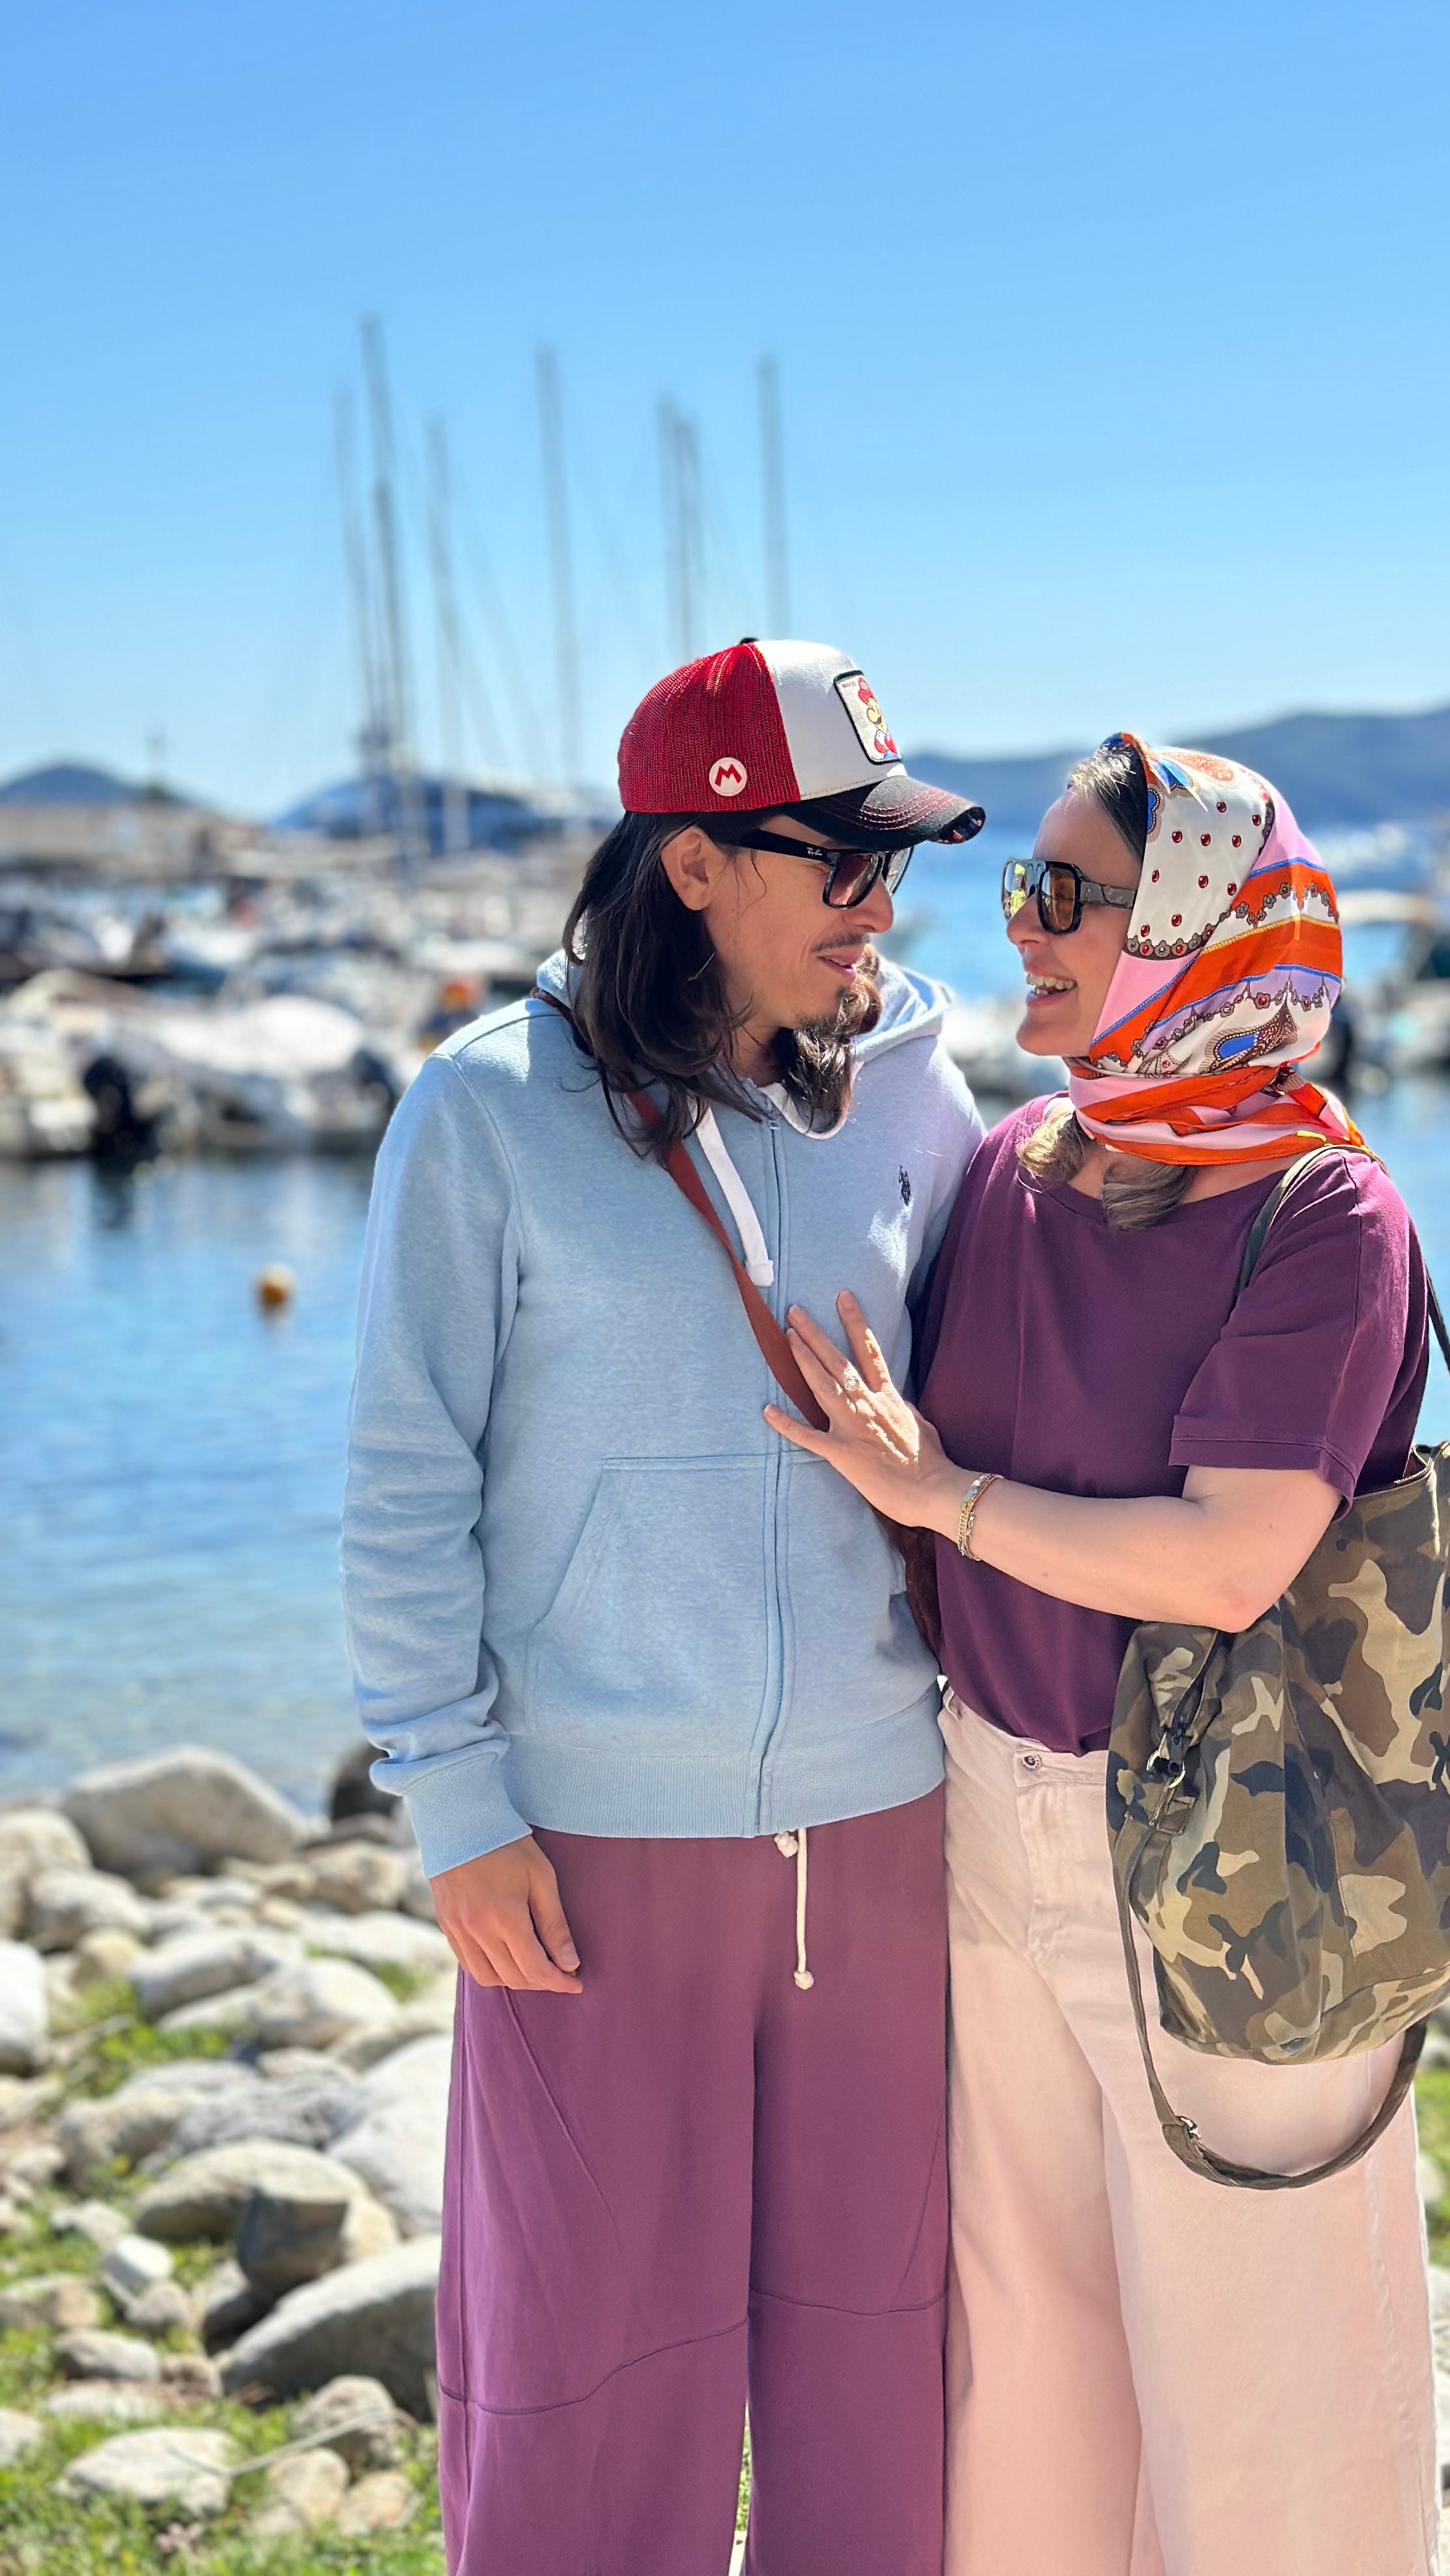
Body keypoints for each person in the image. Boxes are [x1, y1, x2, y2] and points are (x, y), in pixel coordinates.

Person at [341, 640, 985, 2576]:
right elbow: (405, 1481)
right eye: (839, 864)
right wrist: (454, 1802)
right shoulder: (484, 1110)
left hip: (882, 1828)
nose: (879, 912)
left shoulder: (918, 1099)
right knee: (590, 2384)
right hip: (590, 1854)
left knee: (881, 2362)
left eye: (894, 867)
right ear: (693, 863)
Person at [766, 733, 1440, 2576]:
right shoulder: (1018, 1165)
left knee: (1274, 2380)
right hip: (995, 1807)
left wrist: (945, 1497)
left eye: (1069, 894)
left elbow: (1226, 1562)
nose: (1025, 928)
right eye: (1022, 886)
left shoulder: (1326, 1213)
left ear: (1197, 927)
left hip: (1245, 1839)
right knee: (1027, 2347)